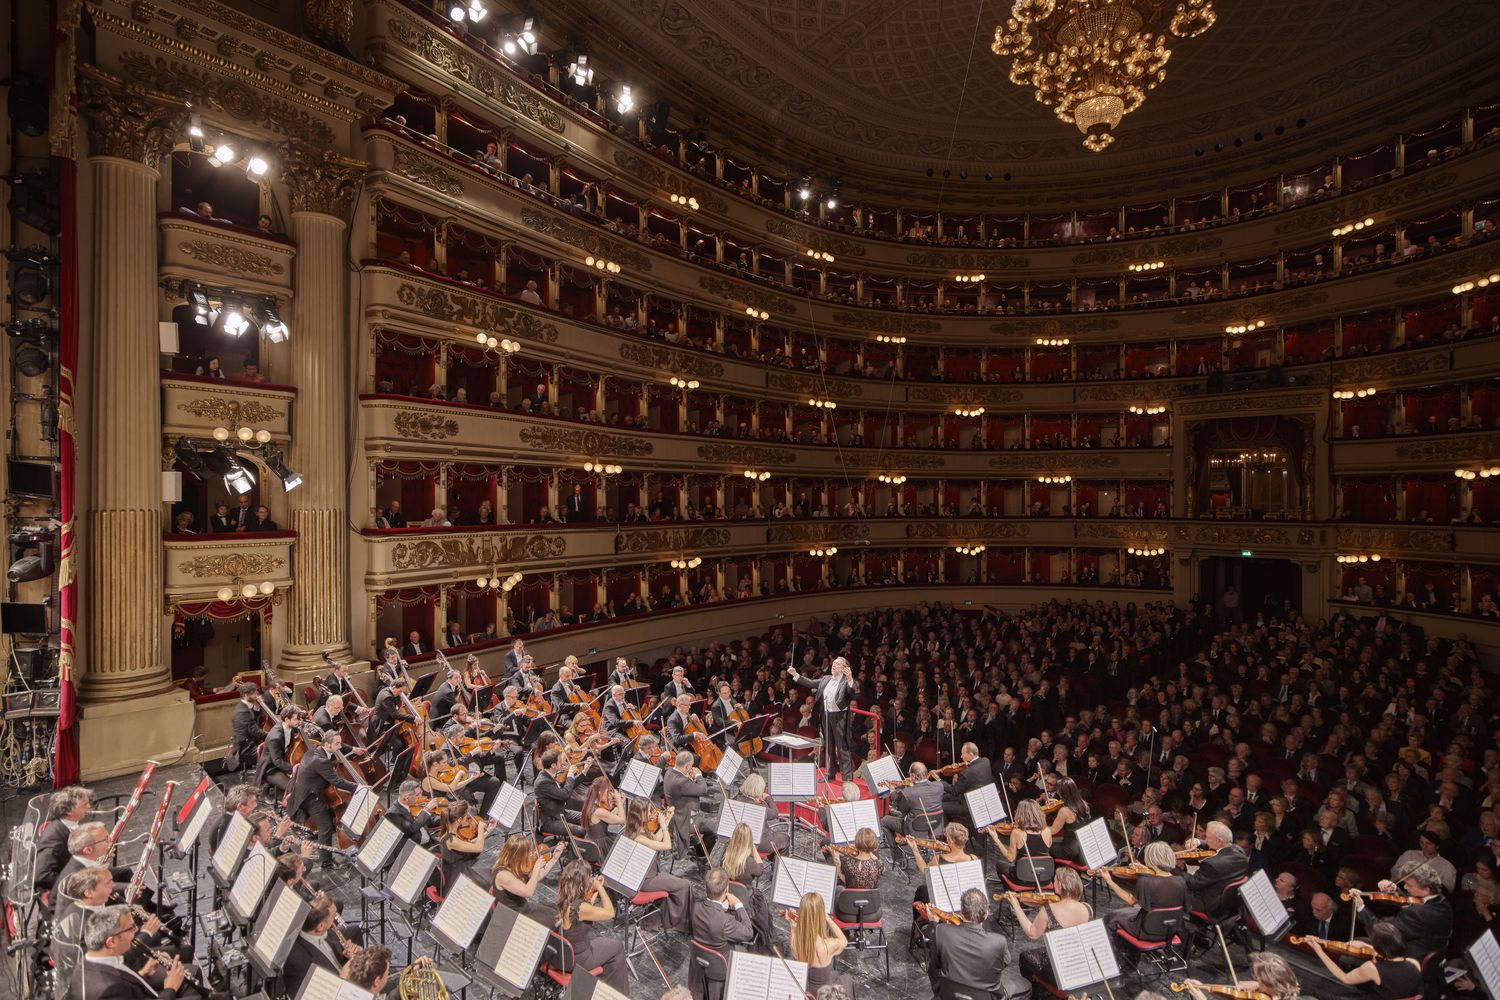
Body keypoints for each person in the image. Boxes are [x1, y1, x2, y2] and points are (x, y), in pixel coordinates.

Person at [73, 905, 189, 1000]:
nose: (136, 931)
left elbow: (125, 986)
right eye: (131, 929)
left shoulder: (91, 961)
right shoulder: (108, 989)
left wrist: (144, 972)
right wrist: (170, 989)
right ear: (112, 942)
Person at [1001, 867, 1093, 982]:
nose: (1053, 885)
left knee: (1025, 957)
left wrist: (1016, 905)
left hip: (1057, 966)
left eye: (1055, 882)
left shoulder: (1049, 910)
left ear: (1061, 885)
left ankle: (1039, 988)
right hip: (1078, 963)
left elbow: (1032, 933)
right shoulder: (1087, 909)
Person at [551, 860, 627, 993]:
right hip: (580, 959)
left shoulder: (567, 898)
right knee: (617, 947)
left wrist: (595, 889)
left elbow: (588, 905)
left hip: (569, 954)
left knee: (606, 944)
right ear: (582, 882)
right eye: (590, 876)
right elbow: (610, 912)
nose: (592, 879)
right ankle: (619, 993)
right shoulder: (580, 909)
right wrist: (601, 888)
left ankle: (606, 987)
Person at [927, 887, 1017, 998]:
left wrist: (933, 922)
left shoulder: (942, 931)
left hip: (949, 994)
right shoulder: (998, 942)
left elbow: (935, 964)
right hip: (986, 997)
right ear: (986, 915)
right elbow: (1004, 962)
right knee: (1025, 985)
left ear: (961, 913)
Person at [623, 798, 693, 932]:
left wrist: (666, 820)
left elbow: (656, 839)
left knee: (679, 884)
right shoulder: (638, 838)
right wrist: (665, 826)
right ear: (641, 814)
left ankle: (670, 916)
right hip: (646, 880)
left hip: (651, 873)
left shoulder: (638, 829)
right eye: (649, 811)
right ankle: (677, 923)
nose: (652, 813)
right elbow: (666, 845)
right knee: (685, 885)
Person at [1307, 920, 1422, 999]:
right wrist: (1365, 945)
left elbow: (1345, 978)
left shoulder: (1372, 968)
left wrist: (1319, 951)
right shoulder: (1414, 962)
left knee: (1316, 993)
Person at [787, 656, 858, 780]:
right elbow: (810, 682)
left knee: (842, 748)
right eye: (834, 663)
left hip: (839, 718)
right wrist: (796, 675)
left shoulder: (847, 681)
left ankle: (847, 779)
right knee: (828, 746)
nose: (834, 665)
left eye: (837, 664)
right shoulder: (826, 679)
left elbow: (851, 691)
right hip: (826, 715)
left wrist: (850, 678)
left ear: (844, 669)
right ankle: (830, 774)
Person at [286, 728, 357, 844]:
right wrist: (358, 787)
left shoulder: (315, 750)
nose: (340, 747)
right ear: (327, 744)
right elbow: (337, 781)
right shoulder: (320, 761)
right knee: (326, 827)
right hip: (309, 797)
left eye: (340, 743)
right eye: (337, 744)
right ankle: (326, 862)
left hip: (306, 790)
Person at [1102, 841, 1187, 937]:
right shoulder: (1181, 881)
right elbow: (1163, 877)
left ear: (1151, 860)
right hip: (1169, 929)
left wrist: (1109, 881)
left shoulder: (1146, 881)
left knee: (1112, 917)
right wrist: (1147, 869)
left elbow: (1130, 900)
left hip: (1146, 930)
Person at [788, 890, 852, 997]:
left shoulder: (796, 943)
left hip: (807, 992)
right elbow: (844, 941)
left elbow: (795, 935)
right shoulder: (828, 946)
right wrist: (828, 918)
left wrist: (793, 926)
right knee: (847, 979)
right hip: (825, 994)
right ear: (820, 914)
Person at [1185, 820, 1249, 915]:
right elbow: (1216, 844)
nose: (1206, 839)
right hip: (1230, 904)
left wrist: (1176, 869)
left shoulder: (1212, 864)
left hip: (1209, 906)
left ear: (1219, 841)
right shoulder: (1239, 852)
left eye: (1207, 837)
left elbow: (1191, 883)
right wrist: (1198, 842)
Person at [663, 750, 717, 862]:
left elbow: (683, 788)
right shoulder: (681, 782)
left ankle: (697, 850)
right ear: (687, 766)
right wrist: (698, 776)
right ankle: (700, 855)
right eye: (691, 766)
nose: (692, 768)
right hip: (684, 819)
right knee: (715, 830)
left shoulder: (669, 771)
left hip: (674, 813)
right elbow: (703, 790)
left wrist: (690, 778)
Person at [881, 761, 945, 852]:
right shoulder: (939, 786)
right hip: (935, 826)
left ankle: (897, 855)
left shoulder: (909, 792)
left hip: (915, 828)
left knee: (884, 821)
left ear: (913, 776)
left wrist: (892, 789)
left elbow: (901, 809)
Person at [989, 798, 1055, 885]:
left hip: (1022, 878)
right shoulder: (1047, 831)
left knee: (1000, 864)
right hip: (1044, 878)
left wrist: (996, 839)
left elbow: (1010, 858)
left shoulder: (1017, 832)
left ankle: (1010, 891)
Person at [1180, 954, 1302, 1000]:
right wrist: (1204, 987)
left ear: (1268, 982)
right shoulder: (1277, 992)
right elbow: (1235, 995)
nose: (1253, 978)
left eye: (1256, 977)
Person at [491, 834, 560, 914]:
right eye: (528, 851)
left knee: (554, 911)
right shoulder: (503, 875)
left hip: (523, 907)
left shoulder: (518, 866)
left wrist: (554, 859)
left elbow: (538, 876)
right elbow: (528, 892)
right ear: (518, 855)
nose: (531, 853)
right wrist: (536, 868)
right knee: (553, 917)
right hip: (512, 915)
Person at [941, 742, 996, 826]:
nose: (961, 756)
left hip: (968, 804)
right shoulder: (986, 761)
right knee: (945, 797)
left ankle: (949, 830)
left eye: (963, 753)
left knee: (939, 807)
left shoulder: (967, 773)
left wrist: (941, 783)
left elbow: (954, 791)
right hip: (983, 799)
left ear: (970, 754)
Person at [1048, 776, 1092, 865]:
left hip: (1069, 850)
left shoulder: (1064, 811)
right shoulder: (1084, 805)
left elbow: (1053, 831)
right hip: (1082, 848)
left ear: (1063, 794)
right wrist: (1058, 802)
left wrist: (1038, 826)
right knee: (1057, 840)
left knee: (1044, 845)